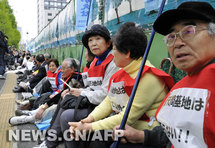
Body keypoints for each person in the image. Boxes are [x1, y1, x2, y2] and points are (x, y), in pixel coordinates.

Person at [113, 1, 215, 148]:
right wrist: (142, 136)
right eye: (171, 37)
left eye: (188, 31)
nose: (177, 43)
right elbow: (176, 133)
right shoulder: (181, 86)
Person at [67, 22, 174, 148]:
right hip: (128, 125)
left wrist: (90, 127)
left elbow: (126, 117)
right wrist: (90, 119)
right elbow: (109, 101)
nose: (112, 54)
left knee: (99, 139)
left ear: (127, 53)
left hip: (150, 131)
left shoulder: (148, 77)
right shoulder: (123, 72)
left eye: (115, 49)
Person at [33, 24, 119, 148]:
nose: (94, 43)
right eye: (90, 40)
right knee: (66, 97)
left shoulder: (114, 62)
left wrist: (82, 93)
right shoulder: (94, 62)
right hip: (93, 103)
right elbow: (91, 87)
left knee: (66, 116)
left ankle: (51, 142)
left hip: (104, 108)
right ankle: (50, 140)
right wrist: (75, 91)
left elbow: (106, 95)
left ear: (108, 42)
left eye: (98, 39)